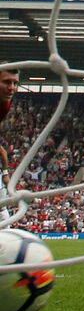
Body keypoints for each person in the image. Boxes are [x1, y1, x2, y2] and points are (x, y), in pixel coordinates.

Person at [0, 66, 17, 220]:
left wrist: (5, 173)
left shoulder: (5, 105)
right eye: (6, 82)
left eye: (15, 83)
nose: (12, 88)